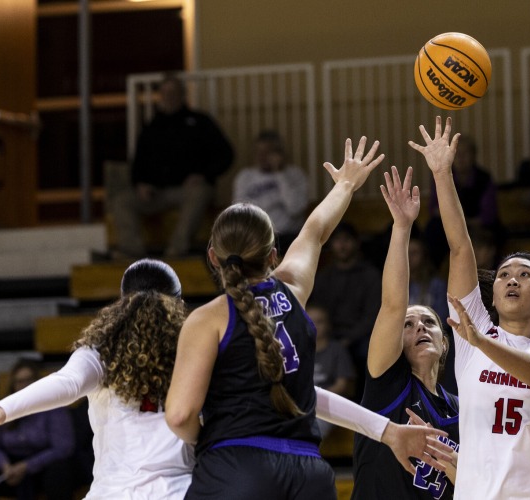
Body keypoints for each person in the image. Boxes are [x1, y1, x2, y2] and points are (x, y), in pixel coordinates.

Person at [165, 137, 448, 499]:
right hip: (309, 475)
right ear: (272, 255)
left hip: (237, 467)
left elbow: (178, 415)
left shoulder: (207, 319)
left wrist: (204, 439)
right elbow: (315, 231)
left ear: (213, 257)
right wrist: (345, 185)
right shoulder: (293, 290)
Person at [412, 117, 530, 499]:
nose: (512, 280)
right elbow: (460, 247)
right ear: (490, 295)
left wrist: (481, 341)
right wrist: (442, 173)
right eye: (504, 274)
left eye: (525, 275)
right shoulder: (474, 334)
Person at [0, 259, 196, 498]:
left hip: (113, 492)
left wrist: (1, 411)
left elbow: (67, 382)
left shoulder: (100, 352)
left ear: (122, 303)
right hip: (178, 491)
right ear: (177, 304)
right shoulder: (196, 353)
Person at [352, 166, 460, 500]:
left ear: (444, 343)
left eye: (428, 322)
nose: (419, 328)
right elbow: (393, 305)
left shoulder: (461, 407)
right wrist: (402, 228)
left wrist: (455, 463)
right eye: (408, 326)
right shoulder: (388, 383)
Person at [113, 78, 235, 259]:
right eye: (165, 93)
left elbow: (226, 154)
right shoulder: (152, 127)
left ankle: (177, 250)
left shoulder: (200, 122)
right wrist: (140, 184)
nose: (169, 97)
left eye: (173, 93)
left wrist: (204, 175)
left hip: (188, 190)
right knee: (122, 200)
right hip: (157, 193)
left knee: (199, 193)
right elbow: (138, 162)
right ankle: (132, 250)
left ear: (182, 95)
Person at [0, 359, 75, 500]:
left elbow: (63, 448)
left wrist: (27, 466)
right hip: (10, 468)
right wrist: (5, 466)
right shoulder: (3, 408)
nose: (24, 385)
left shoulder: (53, 406)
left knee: (59, 473)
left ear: (37, 382)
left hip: (43, 466)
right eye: (19, 381)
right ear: (13, 385)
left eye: (28, 380)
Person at [309, 221, 382, 368]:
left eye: (347, 240)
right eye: (337, 240)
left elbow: (372, 316)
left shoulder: (371, 276)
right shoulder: (323, 277)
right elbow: (316, 310)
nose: (342, 245)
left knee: (369, 350)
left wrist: (349, 339)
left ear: (357, 243)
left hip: (361, 336)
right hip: (327, 334)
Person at [423, 135, 499, 269]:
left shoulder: (484, 178)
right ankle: (439, 274)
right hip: (448, 224)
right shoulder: (442, 175)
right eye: (457, 153)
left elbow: (488, 215)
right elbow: (434, 208)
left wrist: (465, 223)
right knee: (432, 230)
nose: (461, 158)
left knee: (495, 233)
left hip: (476, 224)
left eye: (466, 153)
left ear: (474, 156)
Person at [232, 130, 309, 252]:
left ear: (279, 153)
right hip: (256, 238)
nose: (262, 157)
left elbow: (295, 208)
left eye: (267, 152)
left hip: (289, 238)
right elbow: (238, 214)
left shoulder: (295, 175)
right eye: (259, 152)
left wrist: (279, 173)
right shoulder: (245, 177)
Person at [308, 303, 356, 438]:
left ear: (328, 325)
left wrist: (314, 399)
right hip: (301, 404)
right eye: (310, 320)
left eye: (320, 321)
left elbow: (342, 385)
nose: (315, 325)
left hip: (328, 405)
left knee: (313, 430)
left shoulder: (337, 350)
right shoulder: (298, 349)